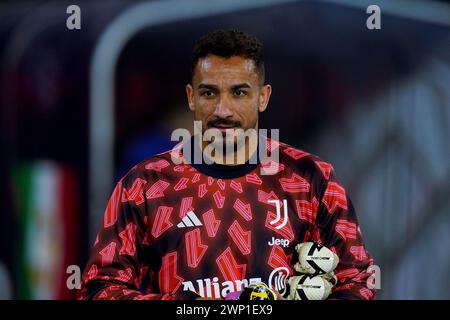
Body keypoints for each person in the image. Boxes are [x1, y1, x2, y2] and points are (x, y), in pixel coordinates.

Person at [78, 29, 375, 300]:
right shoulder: (145, 184)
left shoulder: (312, 179)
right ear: (191, 98)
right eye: (209, 93)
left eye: (239, 92)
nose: (223, 110)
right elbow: (99, 287)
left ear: (263, 97)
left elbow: (359, 283)